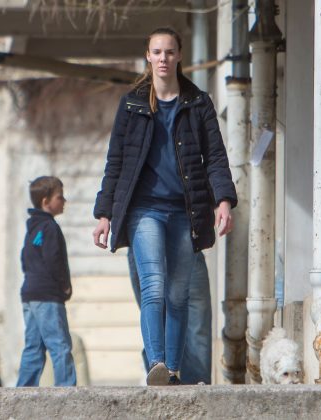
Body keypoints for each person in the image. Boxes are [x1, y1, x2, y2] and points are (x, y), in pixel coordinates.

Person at [93, 27, 237, 385]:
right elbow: (116, 162)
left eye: (169, 52)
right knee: (154, 287)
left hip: (186, 211)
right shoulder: (131, 104)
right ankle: (157, 364)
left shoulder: (198, 103)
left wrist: (223, 200)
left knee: (178, 294)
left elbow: (215, 157)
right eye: (156, 52)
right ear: (148, 56)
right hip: (144, 211)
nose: (163, 58)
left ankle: (172, 370)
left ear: (179, 56)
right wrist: (104, 213)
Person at [17, 176, 76, 387]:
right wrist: (64, 284)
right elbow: (54, 259)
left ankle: (23, 390)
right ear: (46, 202)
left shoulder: (33, 228)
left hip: (30, 293)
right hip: (48, 295)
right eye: (60, 197)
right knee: (60, 345)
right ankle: (66, 389)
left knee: (33, 347)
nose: (64, 200)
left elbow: (24, 258)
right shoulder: (50, 227)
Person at [128, 249, 212, 384]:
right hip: (145, 250)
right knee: (157, 329)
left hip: (188, 246)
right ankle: (163, 384)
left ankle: (196, 390)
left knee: (197, 328)